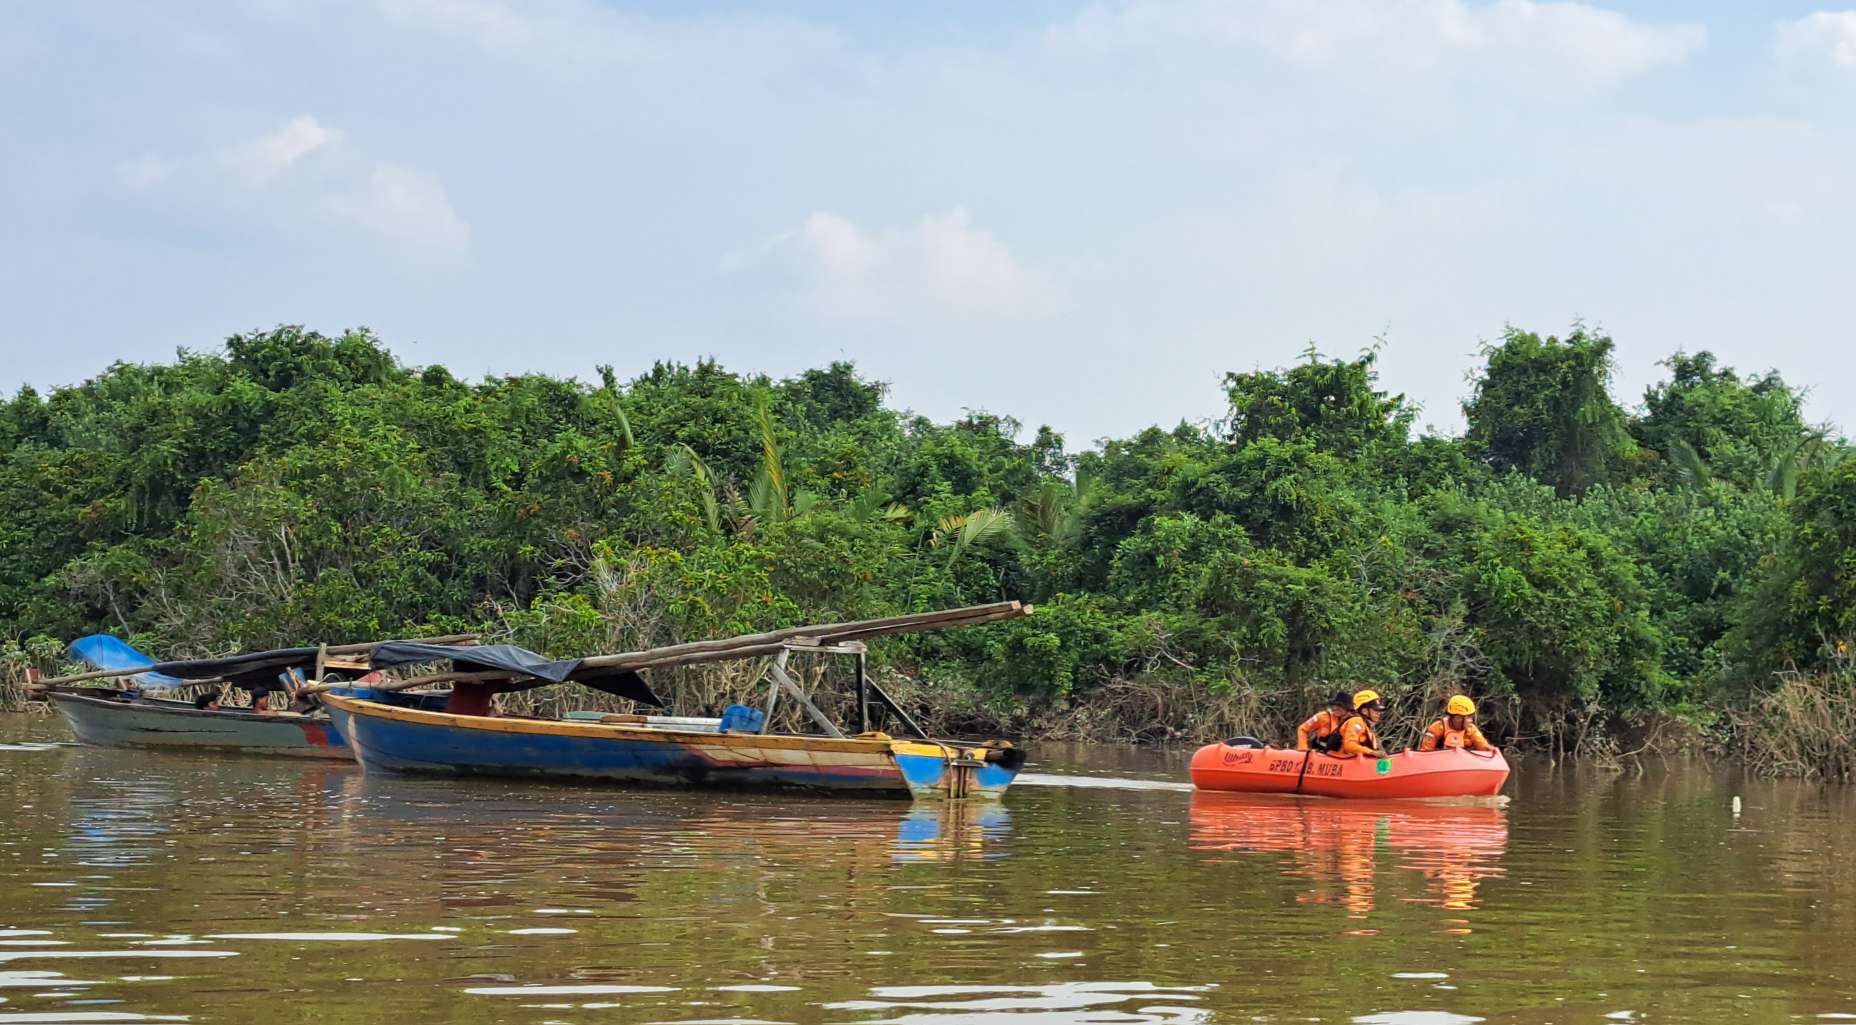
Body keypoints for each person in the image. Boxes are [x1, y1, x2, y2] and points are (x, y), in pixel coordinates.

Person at [1418, 695, 1494, 752]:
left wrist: (1490, 749)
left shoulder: (1471, 729)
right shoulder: (1437, 728)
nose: (1471, 721)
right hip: (1441, 765)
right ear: (1458, 718)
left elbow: (1484, 747)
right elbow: (1425, 753)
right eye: (1468, 717)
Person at [1337, 689, 1388, 758]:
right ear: (1364, 711)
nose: (1378, 713)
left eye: (1379, 711)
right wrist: (1372, 752)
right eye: (1375, 710)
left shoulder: (1366, 725)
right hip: (1347, 764)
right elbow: (1349, 745)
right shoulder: (1356, 721)